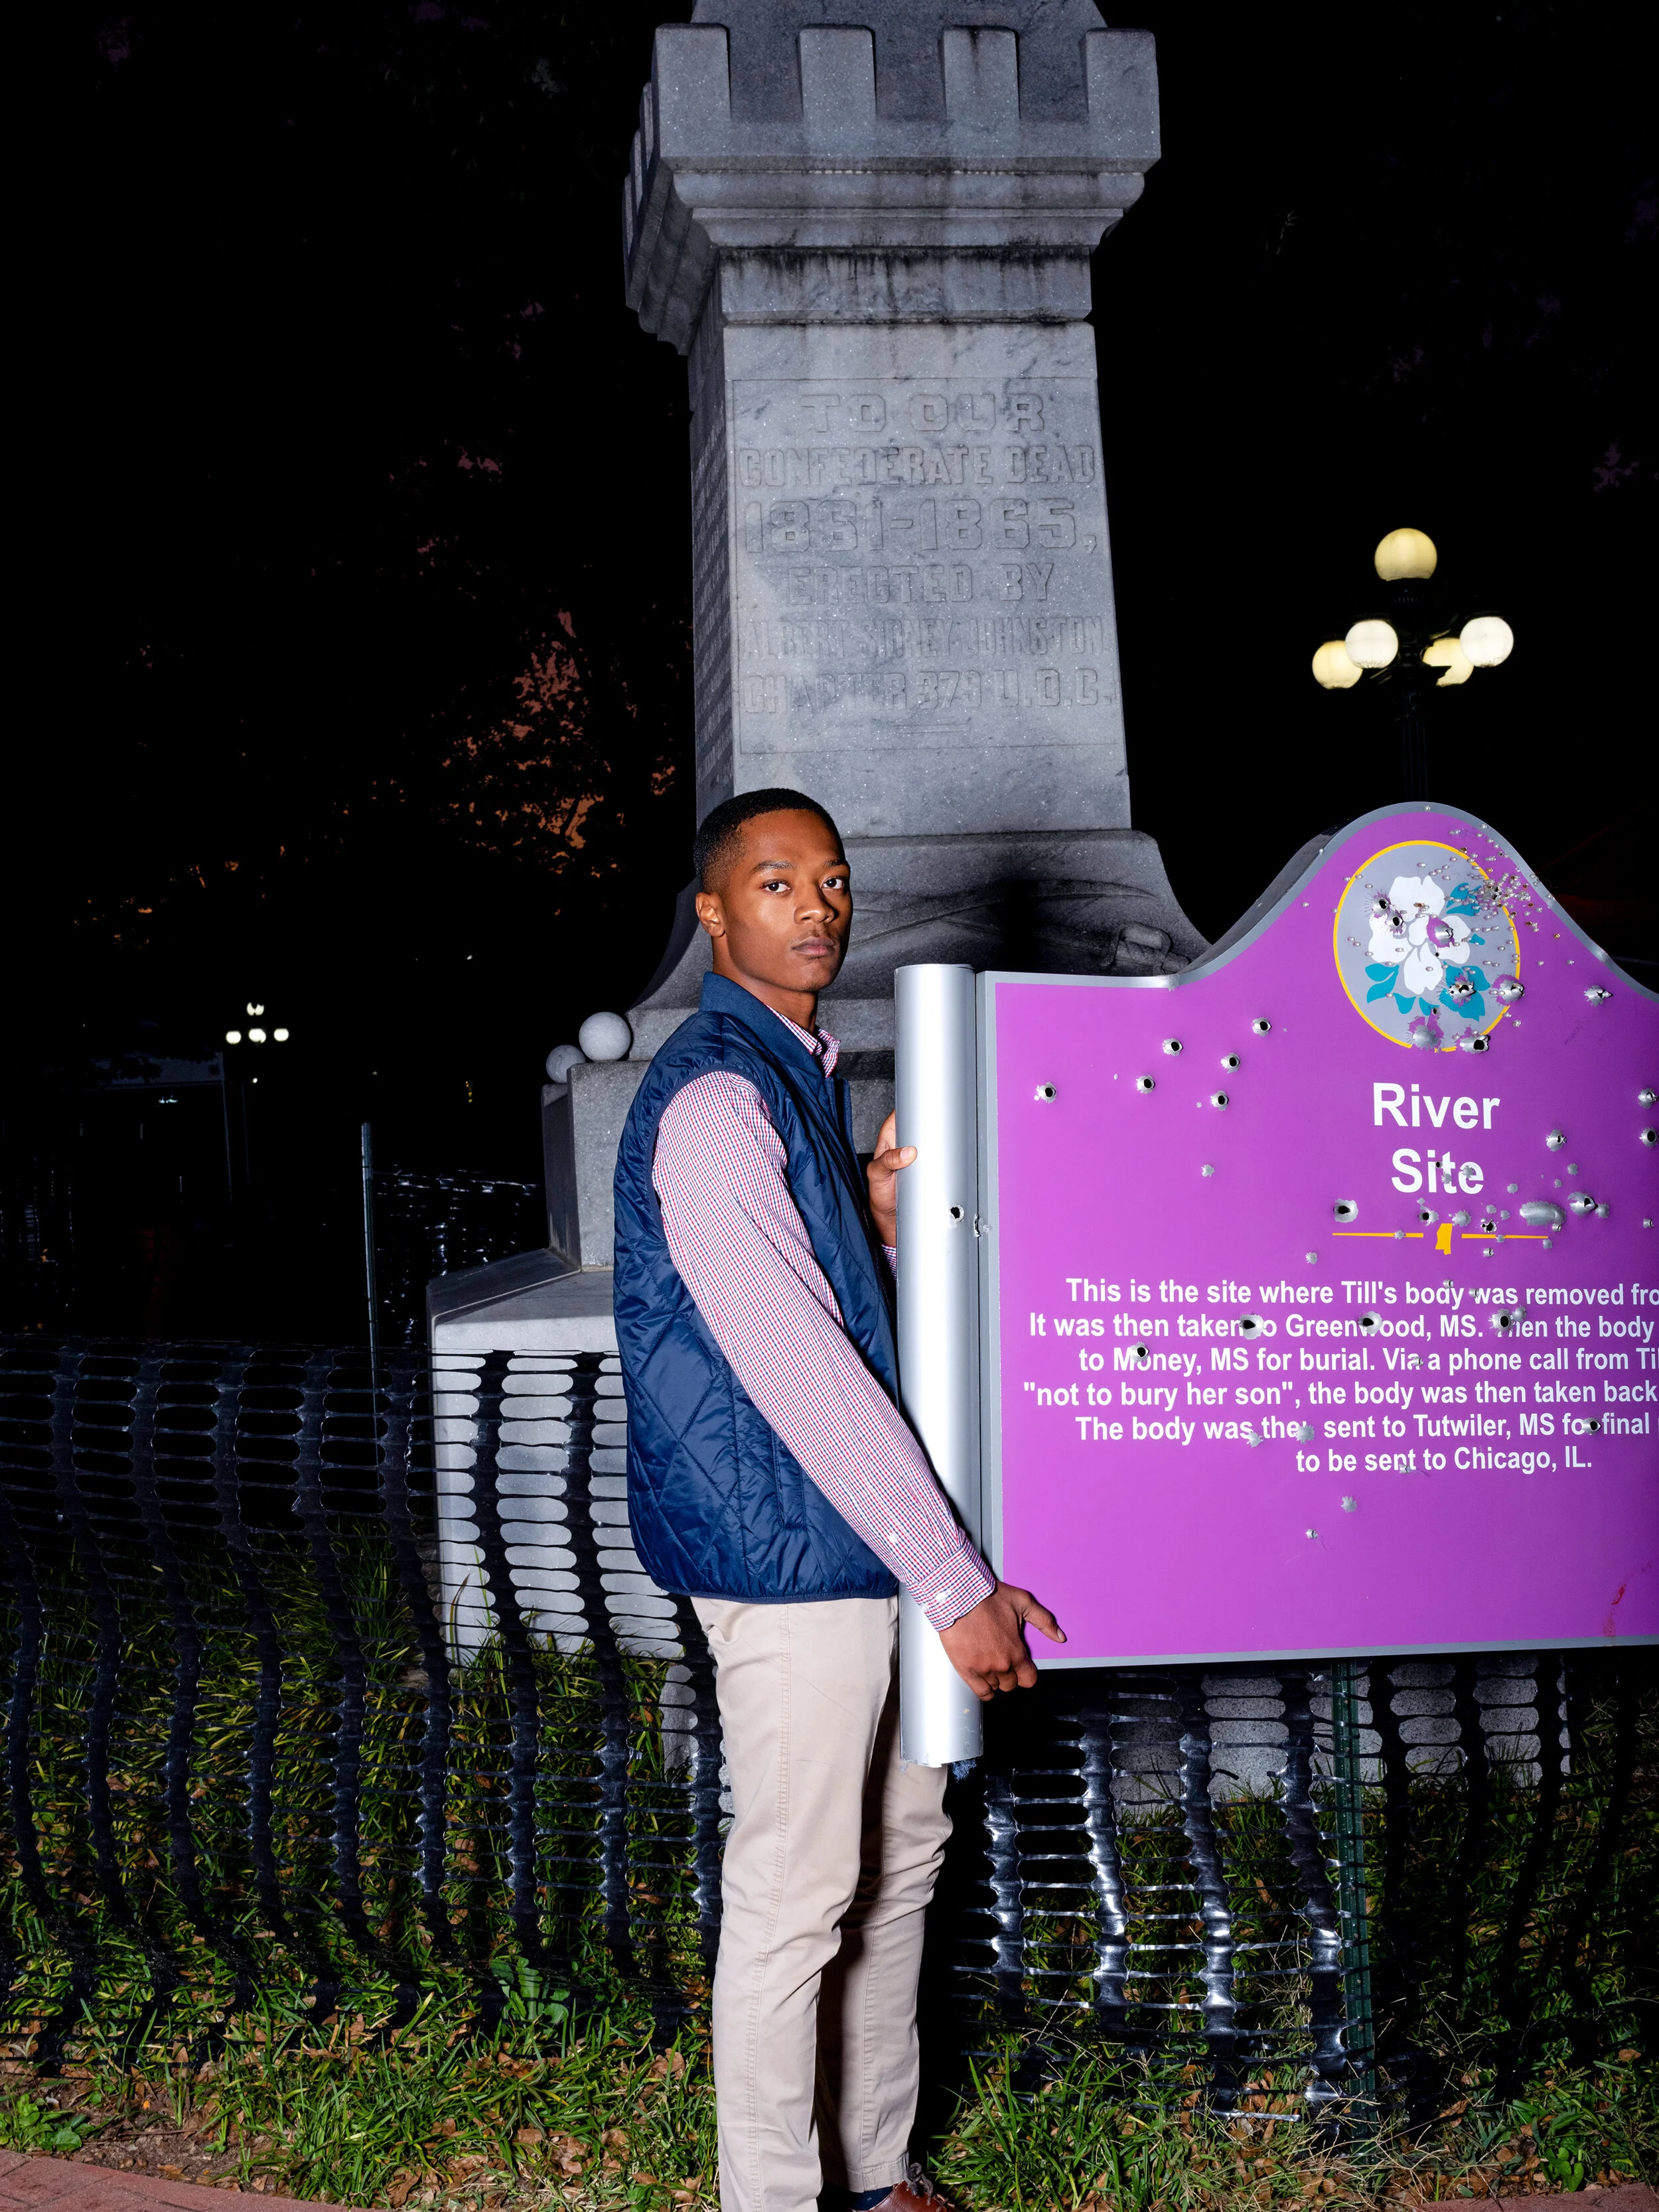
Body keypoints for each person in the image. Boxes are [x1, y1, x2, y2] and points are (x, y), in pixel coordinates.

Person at [613, 788, 1064, 2212]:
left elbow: (822, 1300)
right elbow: (792, 1360)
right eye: (771, 881)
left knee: (898, 1866)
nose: (813, 905)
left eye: (831, 879)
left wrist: (866, 1221)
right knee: (799, 1891)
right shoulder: (712, 1095)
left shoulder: (795, 1079)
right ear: (711, 912)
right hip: (784, 1556)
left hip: (853, 1540)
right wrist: (951, 1574)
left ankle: (874, 2176)